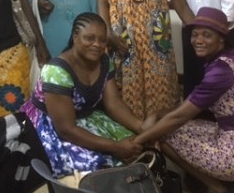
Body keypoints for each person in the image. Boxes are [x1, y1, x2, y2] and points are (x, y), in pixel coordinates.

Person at [134, 7, 234, 193]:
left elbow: (178, 117)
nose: (198, 40)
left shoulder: (219, 72)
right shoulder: (230, 60)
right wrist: (157, 113)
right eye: (195, 34)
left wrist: (137, 141)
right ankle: (219, 178)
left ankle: (217, 189)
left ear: (221, 40)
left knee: (163, 134)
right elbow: (189, 108)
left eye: (207, 35)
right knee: (173, 125)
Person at [21, 12, 151, 176]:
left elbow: (113, 104)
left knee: (135, 147)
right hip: (52, 125)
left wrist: (140, 127)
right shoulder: (56, 71)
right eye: (89, 38)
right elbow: (66, 129)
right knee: (99, 166)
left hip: (85, 116)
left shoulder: (104, 61)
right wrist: (115, 147)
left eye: (102, 40)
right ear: (75, 37)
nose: (97, 44)